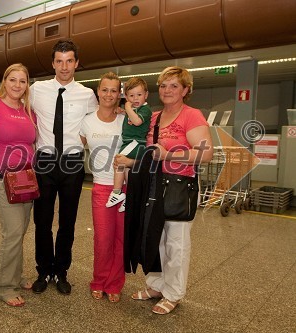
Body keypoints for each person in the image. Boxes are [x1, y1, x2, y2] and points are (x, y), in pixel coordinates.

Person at [128, 66, 213, 315]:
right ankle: (156, 286)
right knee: (154, 240)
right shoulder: (153, 117)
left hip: (178, 186)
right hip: (153, 185)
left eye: (174, 85)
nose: (167, 90)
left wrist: (169, 154)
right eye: (164, 85)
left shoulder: (191, 115)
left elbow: (206, 153)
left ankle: (173, 293)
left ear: (186, 90)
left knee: (176, 244)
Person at [30, 39, 98, 295]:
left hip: (71, 163)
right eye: (59, 61)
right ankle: (43, 270)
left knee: (67, 222)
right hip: (45, 161)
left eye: (69, 60)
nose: (64, 66)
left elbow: (94, 123)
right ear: (53, 63)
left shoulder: (86, 94)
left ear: (77, 63)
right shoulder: (37, 90)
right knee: (42, 221)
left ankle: (61, 271)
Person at [0, 63, 36, 307]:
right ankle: (3, 285)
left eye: (22, 81)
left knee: (19, 231)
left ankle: (16, 275)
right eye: (13, 80)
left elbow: (31, 144)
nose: (17, 85)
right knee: (12, 233)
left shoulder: (28, 111)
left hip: (26, 180)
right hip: (1, 178)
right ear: (5, 80)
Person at [80, 72, 126, 303]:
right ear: (98, 91)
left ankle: (115, 283)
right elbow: (73, 147)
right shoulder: (87, 121)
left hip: (126, 188)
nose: (109, 94)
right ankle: (98, 281)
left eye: (113, 90)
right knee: (103, 238)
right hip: (101, 187)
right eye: (105, 89)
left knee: (121, 239)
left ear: (120, 94)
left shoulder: (125, 120)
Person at [106, 78, 151, 212]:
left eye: (139, 95)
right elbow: (131, 115)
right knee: (125, 168)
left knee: (118, 162)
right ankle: (129, 196)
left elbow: (137, 121)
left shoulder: (145, 109)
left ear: (146, 95)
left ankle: (117, 192)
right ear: (126, 96)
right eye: (131, 96)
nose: (135, 98)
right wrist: (123, 111)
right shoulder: (134, 109)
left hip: (135, 143)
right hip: (131, 143)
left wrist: (127, 107)